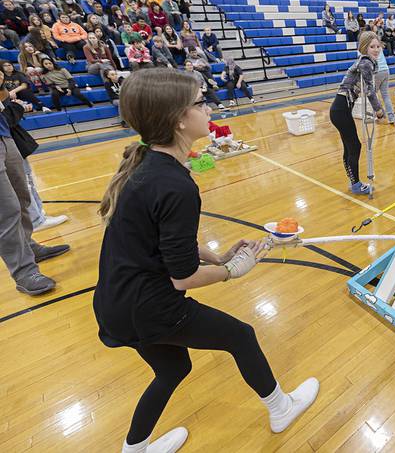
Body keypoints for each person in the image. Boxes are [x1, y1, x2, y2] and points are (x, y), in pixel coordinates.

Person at [93, 68, 318, 452]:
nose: (208, 107)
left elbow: (165, 244)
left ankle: (134, 450)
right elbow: (182, 277)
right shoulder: (175, 184)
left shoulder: (151, 167)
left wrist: (218, 255)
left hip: (115, 304)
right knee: (240, 336)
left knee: (173, 368)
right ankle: (281, 408)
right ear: (179, 119)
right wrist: (231, 271)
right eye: (200, 102)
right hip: (150, 306)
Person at [0, 76, 70, 295]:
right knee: (6, 209)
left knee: (22, 198)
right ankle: (24, 271)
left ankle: (29, 246)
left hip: (4, 135)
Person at [1, 78, 68, 231]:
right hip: (8, 142)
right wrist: (17, 107)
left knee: (28, 179)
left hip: (12, 141)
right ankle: (35, 219)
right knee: (24, 182)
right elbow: (7, 120)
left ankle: (38, 213)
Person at [330, 32, 385, 195]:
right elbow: (369, 90)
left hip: (340, 109)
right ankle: (355, 184)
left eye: (377, 46)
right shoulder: (366, 63)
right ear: (364, 48)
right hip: (341, 109)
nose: (376, 50)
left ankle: (353, 181)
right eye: (372, 47)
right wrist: (379, 110)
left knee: (350, 147)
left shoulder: (365, 62)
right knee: (354, 145)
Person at [374, 50, 395, 125]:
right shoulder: (377, 44)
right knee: (386, 95)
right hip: (385, 70)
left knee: (373, 94)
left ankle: (381, 114)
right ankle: (391, 118)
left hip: (376, 72)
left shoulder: (365, 46)